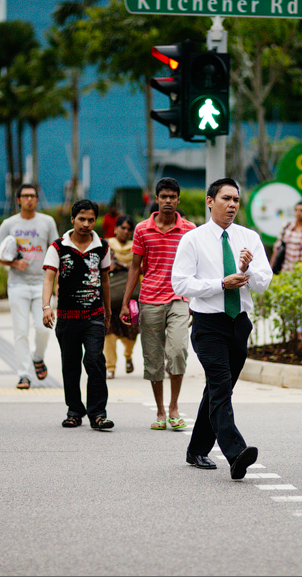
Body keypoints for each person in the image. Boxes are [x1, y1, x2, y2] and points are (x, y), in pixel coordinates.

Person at [172, 178, 273, 480]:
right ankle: (235, 452)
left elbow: (264, 282)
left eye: (236, 200)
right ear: (209, 201)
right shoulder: (193, 239)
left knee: (220, 389)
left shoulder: (249, 238)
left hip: (239, 322)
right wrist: (220, 283)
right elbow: (180, 283)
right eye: (226, 198)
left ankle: (196, 449)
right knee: (219, 383)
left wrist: (247, 270)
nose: (231, 205)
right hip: (208, 324)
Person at [120, 178, 196, 431]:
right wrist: (125, 303)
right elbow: (134, 268)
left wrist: (195, 300)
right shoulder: (142, 229)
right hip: (149, 300)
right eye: (163, 196)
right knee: (153, 358)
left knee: (177, 352)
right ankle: (160, 411)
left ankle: (174, 407)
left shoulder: (189, 229)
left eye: (172, 196)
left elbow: (196, 268)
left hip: (179, 298)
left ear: (178, 199)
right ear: (156, 198)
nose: (168, 201)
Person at [42, 200, 114, 431]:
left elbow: (105, 280)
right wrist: (46, 306)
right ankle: (74, 411)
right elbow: (49, 278)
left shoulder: (102, 246)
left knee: (95, 361)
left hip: (94, 316)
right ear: (72, 219)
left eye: (91, 220)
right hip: (67, 317)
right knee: (70, 365)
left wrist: (108, 310)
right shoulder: (57, 247)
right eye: (81, 219)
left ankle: (98, 414)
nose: (86, 224)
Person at [0, 184, 60, 390]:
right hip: (17, 285)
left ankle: (38, 357)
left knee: (43, 328)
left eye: (32, 196)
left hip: (42, 283)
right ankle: (23, 374)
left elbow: (56, 252)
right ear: (18, 200)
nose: (29, 199)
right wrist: (13, 263)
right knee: (20, 331)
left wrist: (57, 283)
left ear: (37, 199)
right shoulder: (9, 223)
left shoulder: (47, 222)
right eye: (25, 196)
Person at [105, 215, 139, 379]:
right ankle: (110, 367)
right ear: (115, 229)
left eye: (128, 229)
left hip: (132, 297)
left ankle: (128, 355)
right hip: (111, 298)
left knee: (132, 331)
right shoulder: (107, 245)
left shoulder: (136, 247)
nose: (125, 231)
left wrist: (122, 265)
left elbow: (141, 267)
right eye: (122, 228)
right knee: (109, 333)